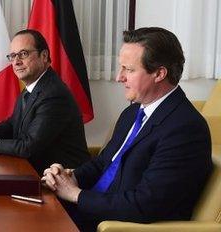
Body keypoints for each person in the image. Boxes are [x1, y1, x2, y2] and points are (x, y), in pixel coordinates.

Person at [41, 27, 213, 231]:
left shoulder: (185, 129)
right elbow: (104, 163)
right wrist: (69, 177)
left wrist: (75, 194)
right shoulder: (132, 113)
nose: (119, 77)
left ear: (159, 73)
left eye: (129, 70)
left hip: (116, 225)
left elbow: (144, 204)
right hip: (90, 210)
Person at [0, 29, 89, 173]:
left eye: (23, 54)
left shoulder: (53, 94)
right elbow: (13, 123)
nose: (16, 61)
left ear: (44, 56)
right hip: (33, 171)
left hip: (62, 180)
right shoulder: (35, 85)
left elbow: (28, 147)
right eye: (13, 56)